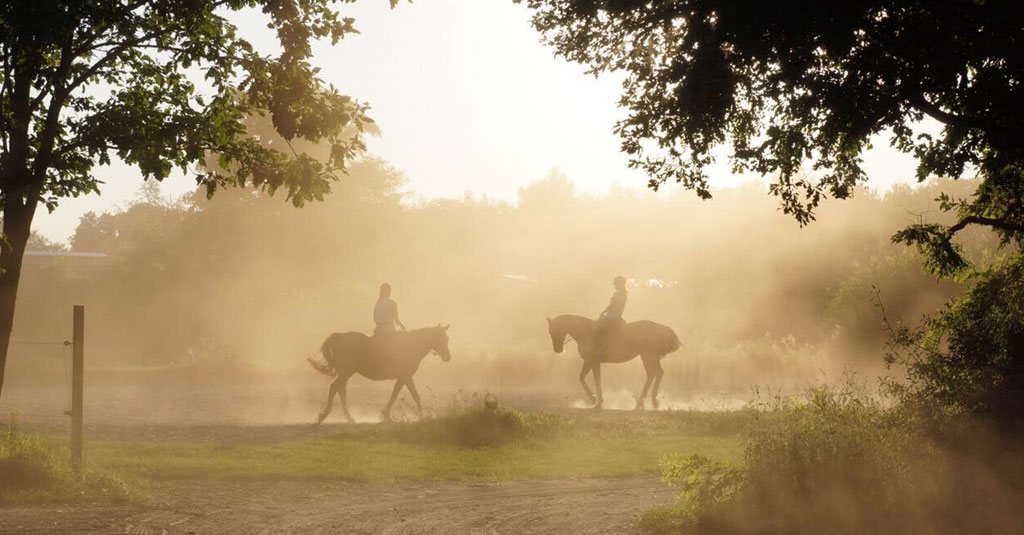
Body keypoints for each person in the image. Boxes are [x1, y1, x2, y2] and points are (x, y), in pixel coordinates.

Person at [594, 276, 627, 357]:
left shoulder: (620, 294)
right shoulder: (621, 293)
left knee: (599, 329)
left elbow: (613, 305)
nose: (615, 286)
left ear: (620, 284)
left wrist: (605, 312)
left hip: (613, 315)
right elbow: (612, 305)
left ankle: (602, 348)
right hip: (614, 314)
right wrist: (604, 312)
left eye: (616, 284)